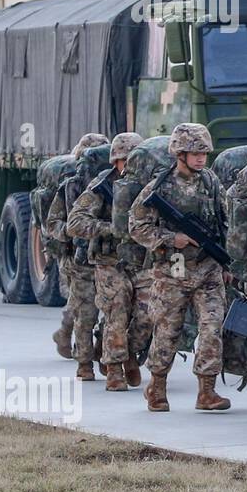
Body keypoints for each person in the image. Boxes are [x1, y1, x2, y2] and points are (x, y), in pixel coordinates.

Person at [128, 123, 232, 412]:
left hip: (208, 269)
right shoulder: (159, 187)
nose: (201, 158)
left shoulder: (211, 182)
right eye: (194, 153)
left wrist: (225, 261)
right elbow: (136, 226)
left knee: (212, 329)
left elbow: (226, 221)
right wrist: (172, 238)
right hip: (173, 271)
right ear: (179, 153)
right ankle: (157, 387)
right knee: (168, 330)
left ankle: (207, 392)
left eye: (204, 153)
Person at [67, 132, 148, 391]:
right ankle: (114, 368)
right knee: (117, 309)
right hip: (108, 260)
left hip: (140, 261)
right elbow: (75, 222)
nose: (134, 165)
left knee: (149, 315)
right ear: (117, 161)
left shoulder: (148, 184)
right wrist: (111, 227)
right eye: (128, 160)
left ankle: (127, 351)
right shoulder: (101, 186)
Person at [47, 133, 108, 375]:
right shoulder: (70, 186)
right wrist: (73, 234)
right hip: (76, 257)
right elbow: (53, 223)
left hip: (104, 255)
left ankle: (86, 344)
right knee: (83, 305)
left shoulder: (111, 183)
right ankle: (74, 345)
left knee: (103, 306)